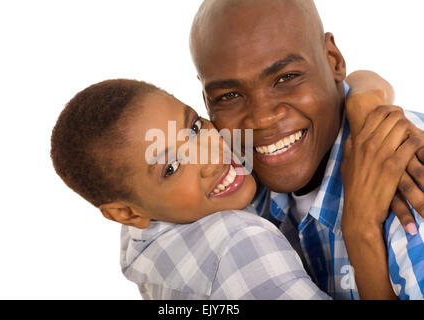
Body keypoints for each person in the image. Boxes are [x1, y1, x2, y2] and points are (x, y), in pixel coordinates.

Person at [51, 78, 416, 299]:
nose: (211, 156)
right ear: (125, 213)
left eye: (194, 127)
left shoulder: (143, 221)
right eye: (172, 167)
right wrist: (360, 227)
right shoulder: (240, 246)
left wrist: (362, 94)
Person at [189, 0, 424, 299]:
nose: (262, 118)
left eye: (286, 78)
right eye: (229, 95)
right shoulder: (229, 181)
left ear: (333, 60)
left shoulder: (411, 181)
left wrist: (362, 232)